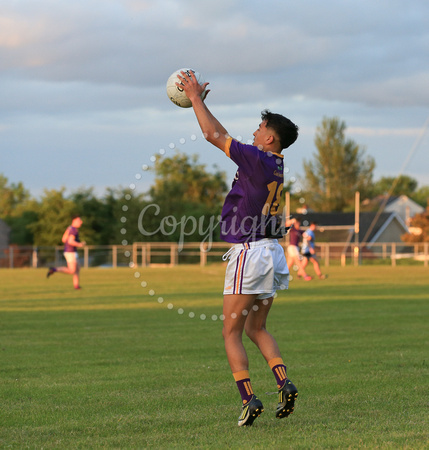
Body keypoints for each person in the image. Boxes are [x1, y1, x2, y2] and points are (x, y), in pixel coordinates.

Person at [178, 71, 298, 427]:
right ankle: (283, 381)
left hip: (250, 252)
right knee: (256, 328)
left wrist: (195, 98)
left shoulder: (258, 159)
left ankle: (248, 398)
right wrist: (202, 102)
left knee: (230, 332)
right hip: (270, 252)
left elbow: (213, 135)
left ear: (270, 137)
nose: (255, 133)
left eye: (260, 129)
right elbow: (223, 135)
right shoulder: (274, 163)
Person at [47, 215, 86, 289]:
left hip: (70, 251)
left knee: (77, 268)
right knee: (72, 270)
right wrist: (79, 244)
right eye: (79, 220)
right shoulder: (74, 230)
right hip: (70, 252)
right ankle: (54, 269)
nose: (81, 222)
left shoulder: (69, 228)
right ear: (74, 221)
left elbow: (64, 239)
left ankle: (76, 285)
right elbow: (70, 241)